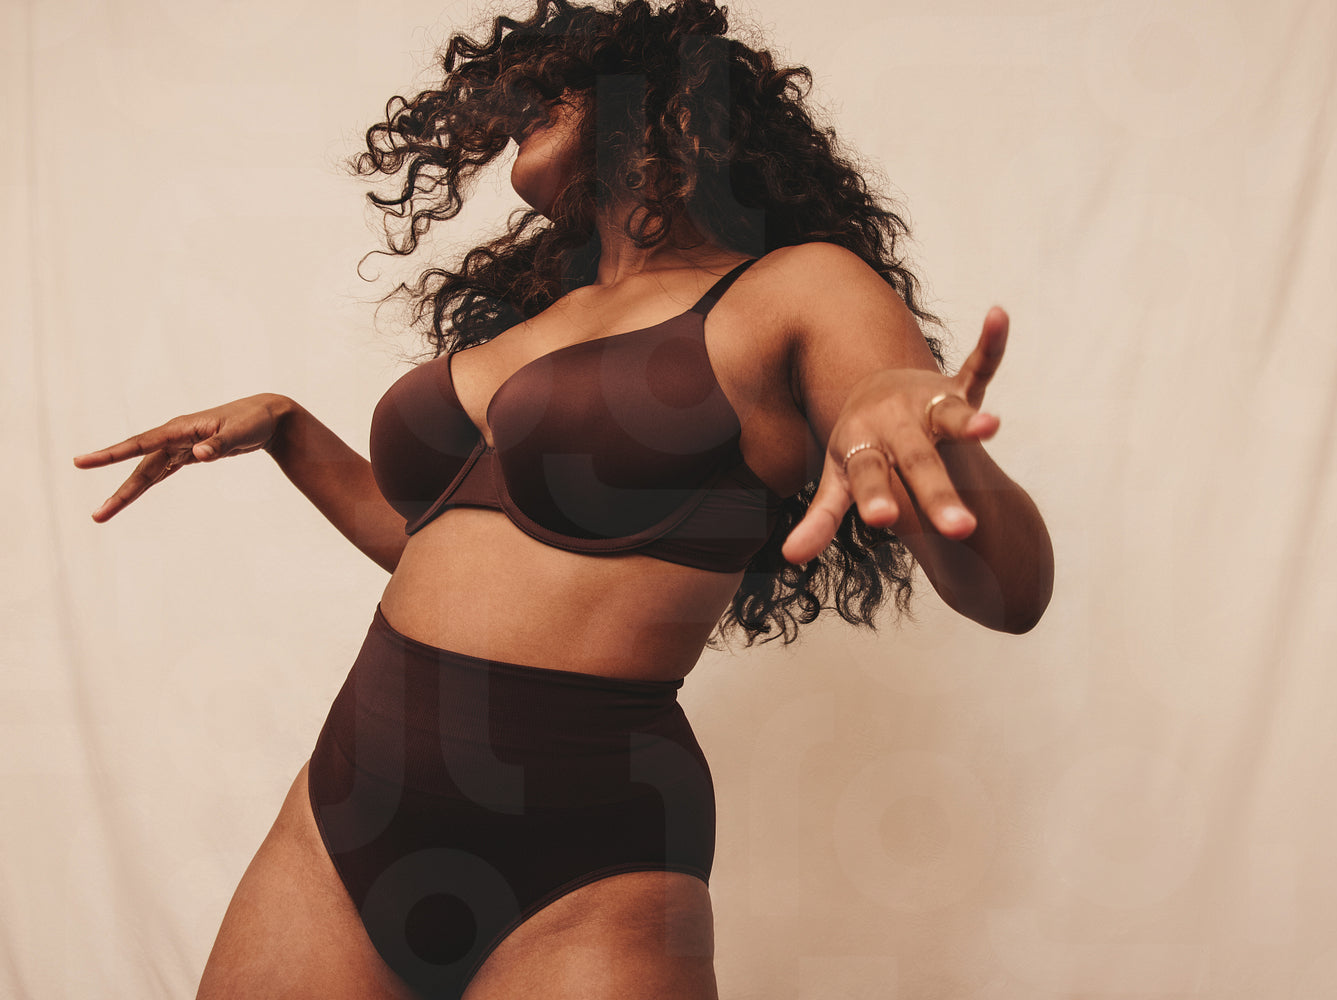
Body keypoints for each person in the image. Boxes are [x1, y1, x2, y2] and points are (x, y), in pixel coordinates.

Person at [72, 0, 1053, 996]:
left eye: (563, 84)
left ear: (668, 101)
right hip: (344, 820)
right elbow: (439, 550)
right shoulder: (539, 317)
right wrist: (290, 430)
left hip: (586, 864)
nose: (522, 102)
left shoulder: (796, 288)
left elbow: (1011, 591)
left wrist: (915, 426)